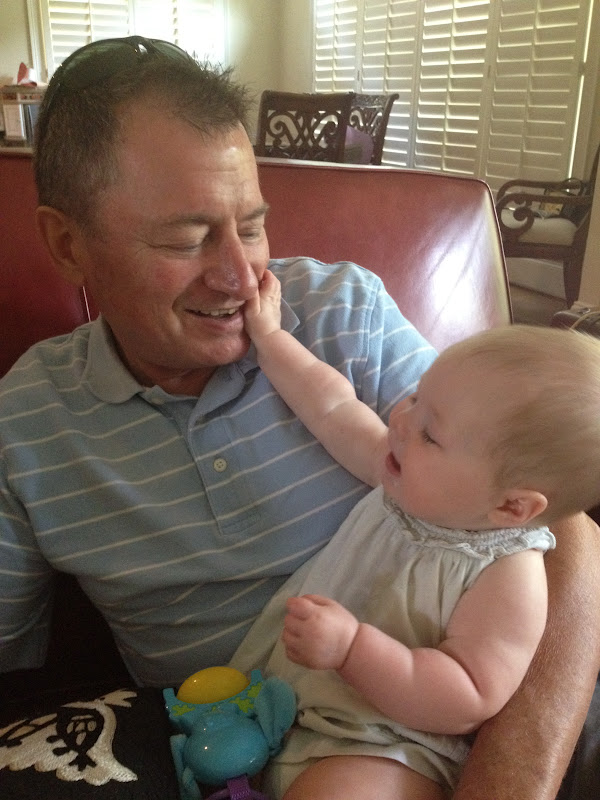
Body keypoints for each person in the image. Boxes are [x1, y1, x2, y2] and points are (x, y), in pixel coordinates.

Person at [0, 35, 598, 800]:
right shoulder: (25, 426)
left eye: (251, 225)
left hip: (426, 721)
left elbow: (544, 517)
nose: (240, 275)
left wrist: (508, 780)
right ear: (67, 243)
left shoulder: (342, 313)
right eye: (186, 238)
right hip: (234, 733)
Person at [232, 275, 600, 799]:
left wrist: (354, 648)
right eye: (414, 397)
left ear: (511, 506)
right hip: (281, 708)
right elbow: (332, 407)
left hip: (386, 743)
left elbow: (469, 694)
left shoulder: (508, 575)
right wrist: (269, 338)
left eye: (430, 432)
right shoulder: (400, 478)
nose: (400, 420)